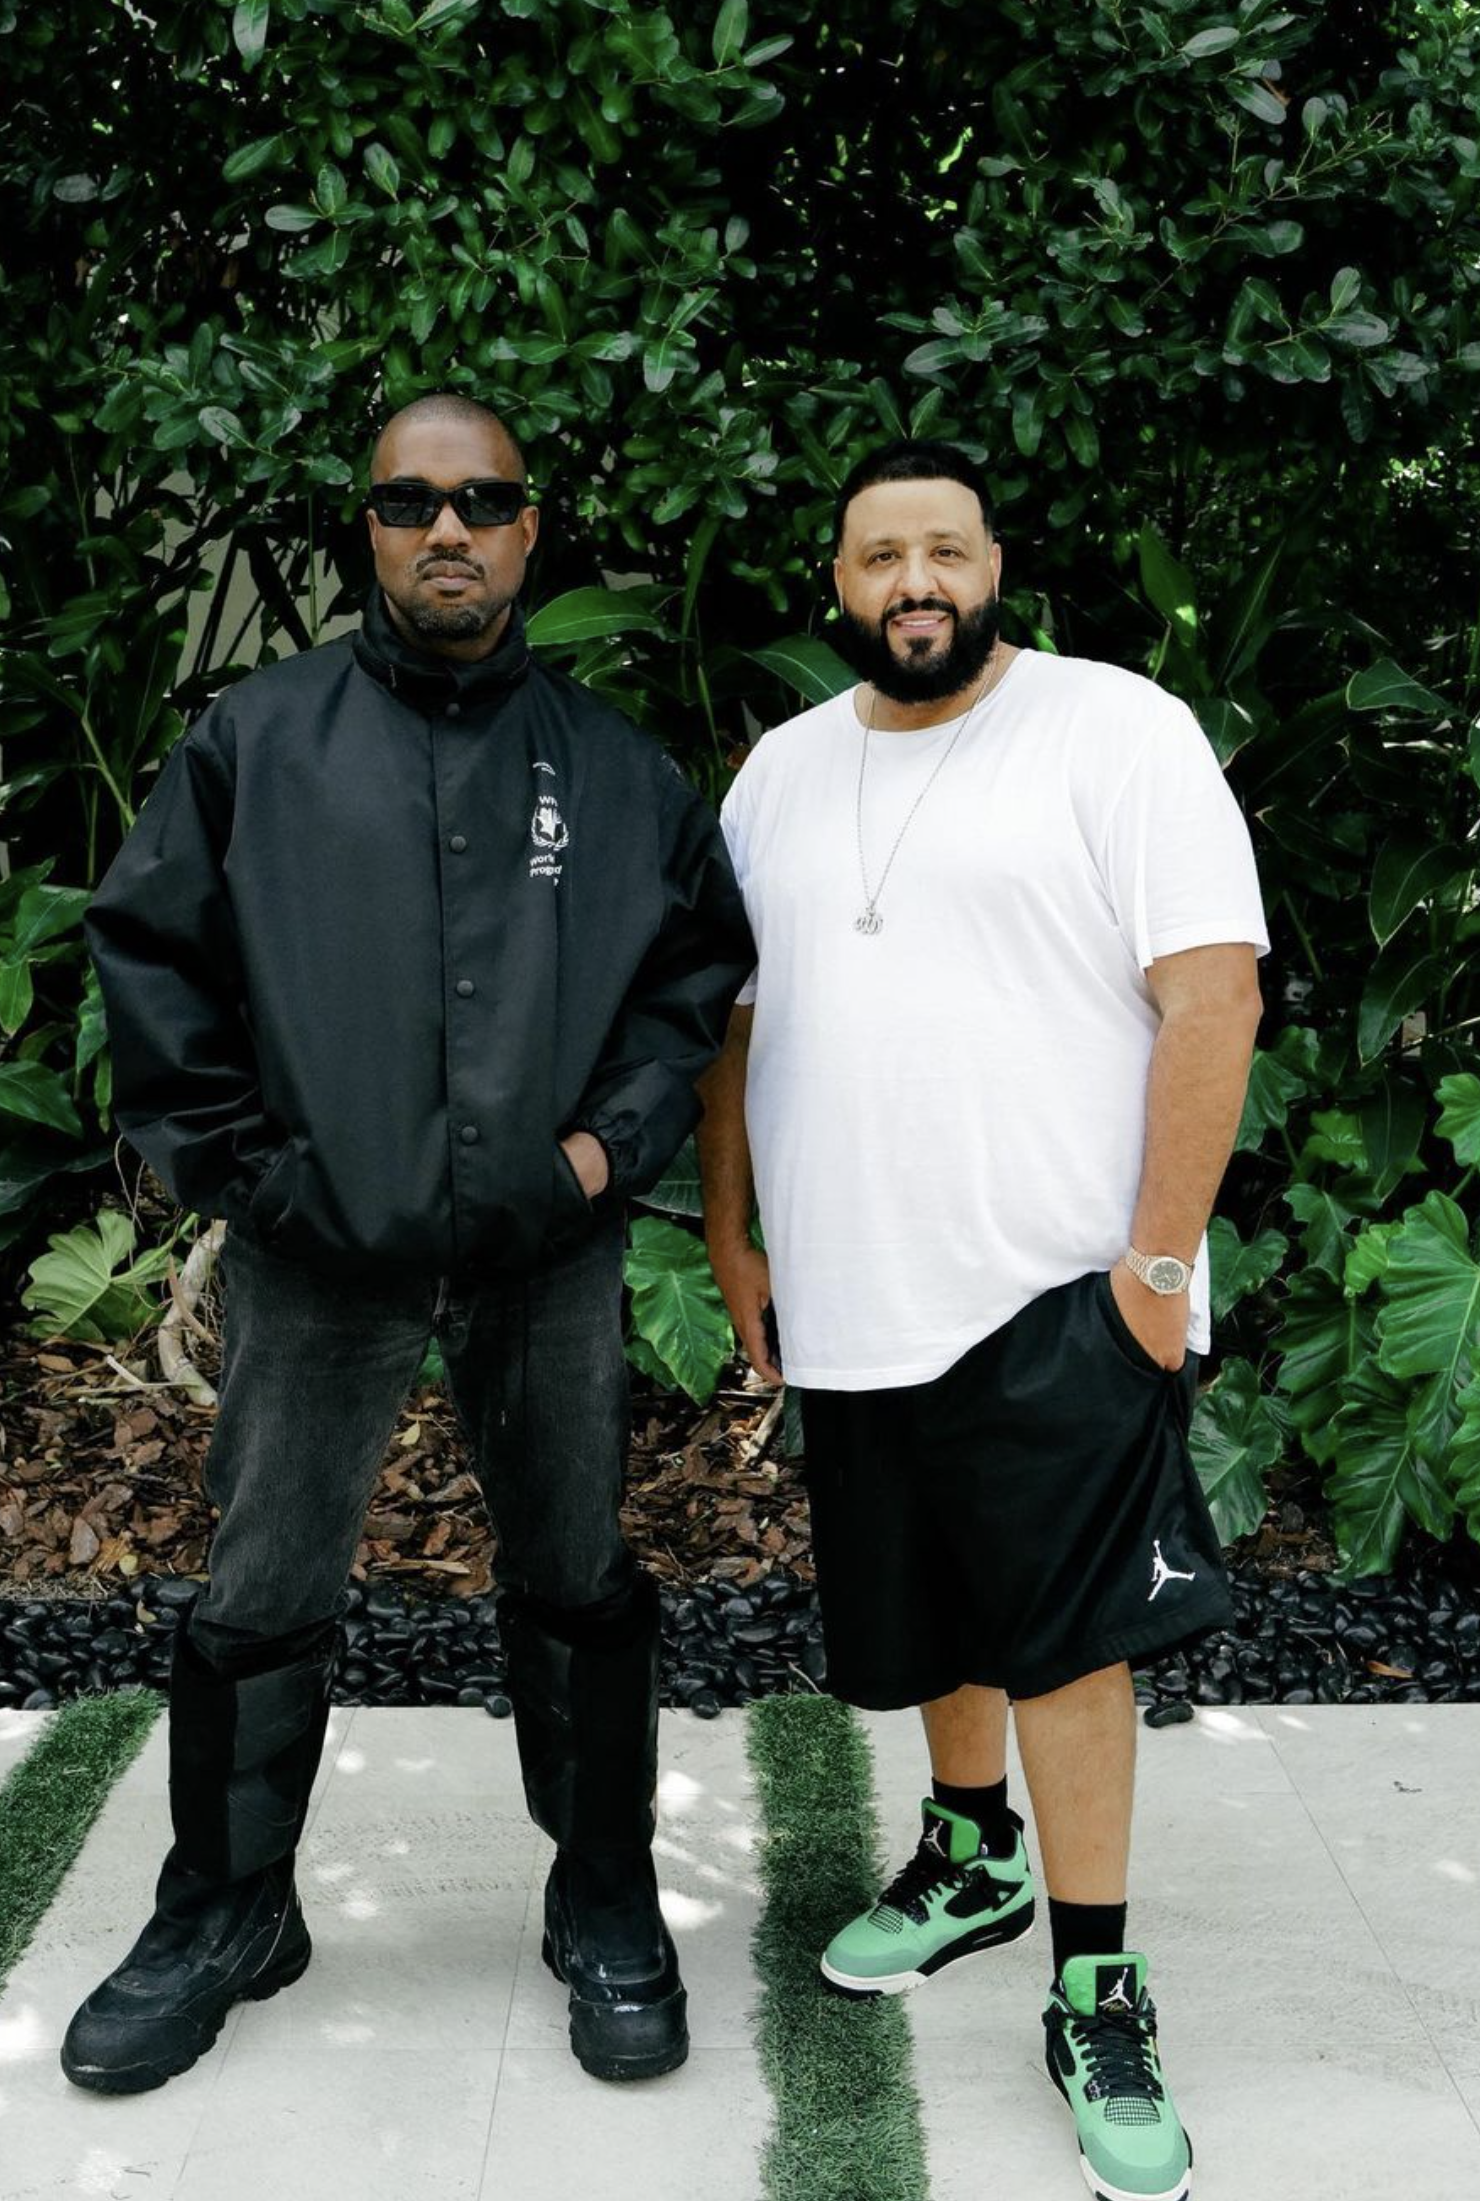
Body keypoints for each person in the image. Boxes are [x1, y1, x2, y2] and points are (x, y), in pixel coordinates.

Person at [67, 392, 753, 2095]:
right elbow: (152, 961)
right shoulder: (255, 745)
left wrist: (598, 1155)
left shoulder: (613, 770)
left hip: (543, 1247)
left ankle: (602, 1893)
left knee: (576, 1574)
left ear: (529, 530)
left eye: (482, 500)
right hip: (319, 1250)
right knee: (262, 1584)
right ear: (367, 528)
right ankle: (228, 1907)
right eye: (409, 502)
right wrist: (259, 1177)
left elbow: (690, 980)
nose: (447, 529)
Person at [697, 439, 1266, 2201]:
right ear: (839, 583)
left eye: (944, 550)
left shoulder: (1114, 729)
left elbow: (1212, 995)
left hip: (1058, 1286)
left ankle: (1094, 1985)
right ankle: (968, 1856)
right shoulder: (779, 774)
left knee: (1066, 1646)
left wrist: (1154, 1268)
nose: (914, 583)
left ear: (993, 566)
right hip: (854, 1287)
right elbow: (735, 1019)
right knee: (928, 1607)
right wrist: (729, 1231)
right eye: (881, 556)